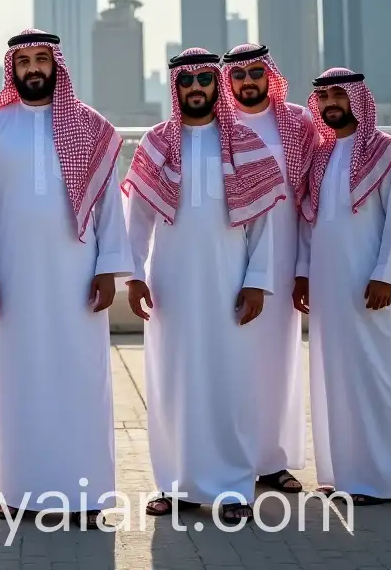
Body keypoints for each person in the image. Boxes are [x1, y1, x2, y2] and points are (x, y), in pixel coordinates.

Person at [0, 30, 132, 528]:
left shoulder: (91, 126)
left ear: (56, 65)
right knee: (19, 380)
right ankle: (18, 493)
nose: (33, 68)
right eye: (24, 61)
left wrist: (108, 268)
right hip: (14, 274)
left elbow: (109, 205)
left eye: (41, 59)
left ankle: (88, 494)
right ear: (13, 69)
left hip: (77, 275)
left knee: (81, 379)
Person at [124, 48, 285, 526]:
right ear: (176, 88)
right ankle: (176, 486)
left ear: (217, 84)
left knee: (230, 383)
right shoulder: (157, 143)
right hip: (170, 283)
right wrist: (134, 276)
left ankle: (234, 488)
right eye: (186, 81)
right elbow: (137, 219)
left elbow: (264, 224)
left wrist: (257, 282)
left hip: (228, 283)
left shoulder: (246, 143)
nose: (196, 88)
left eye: (204, 79)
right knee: (172, 384)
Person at [294, 69, 391, 505]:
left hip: (370, 285)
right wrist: (303, 273)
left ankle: (381, 481)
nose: (330, 103)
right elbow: (310, 222)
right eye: (323, 97)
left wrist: (386, 274)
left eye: (339, 94)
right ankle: (342, 474)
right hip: (328, 286)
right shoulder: (320, 156)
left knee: (376, 378)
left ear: (358, 99)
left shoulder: (387, 152)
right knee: (333, 377)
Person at [221, 43, 317, 494]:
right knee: (233, 360)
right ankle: (232, 457)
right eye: (238, 75)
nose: (247, 82)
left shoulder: (297, 122)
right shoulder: (219, 123)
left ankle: (272, 461)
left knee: (276, 360)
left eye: (255, 73)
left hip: (281, 257)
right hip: (226, 254)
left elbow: (313, 198)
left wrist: (303, 267)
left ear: (269, 75)